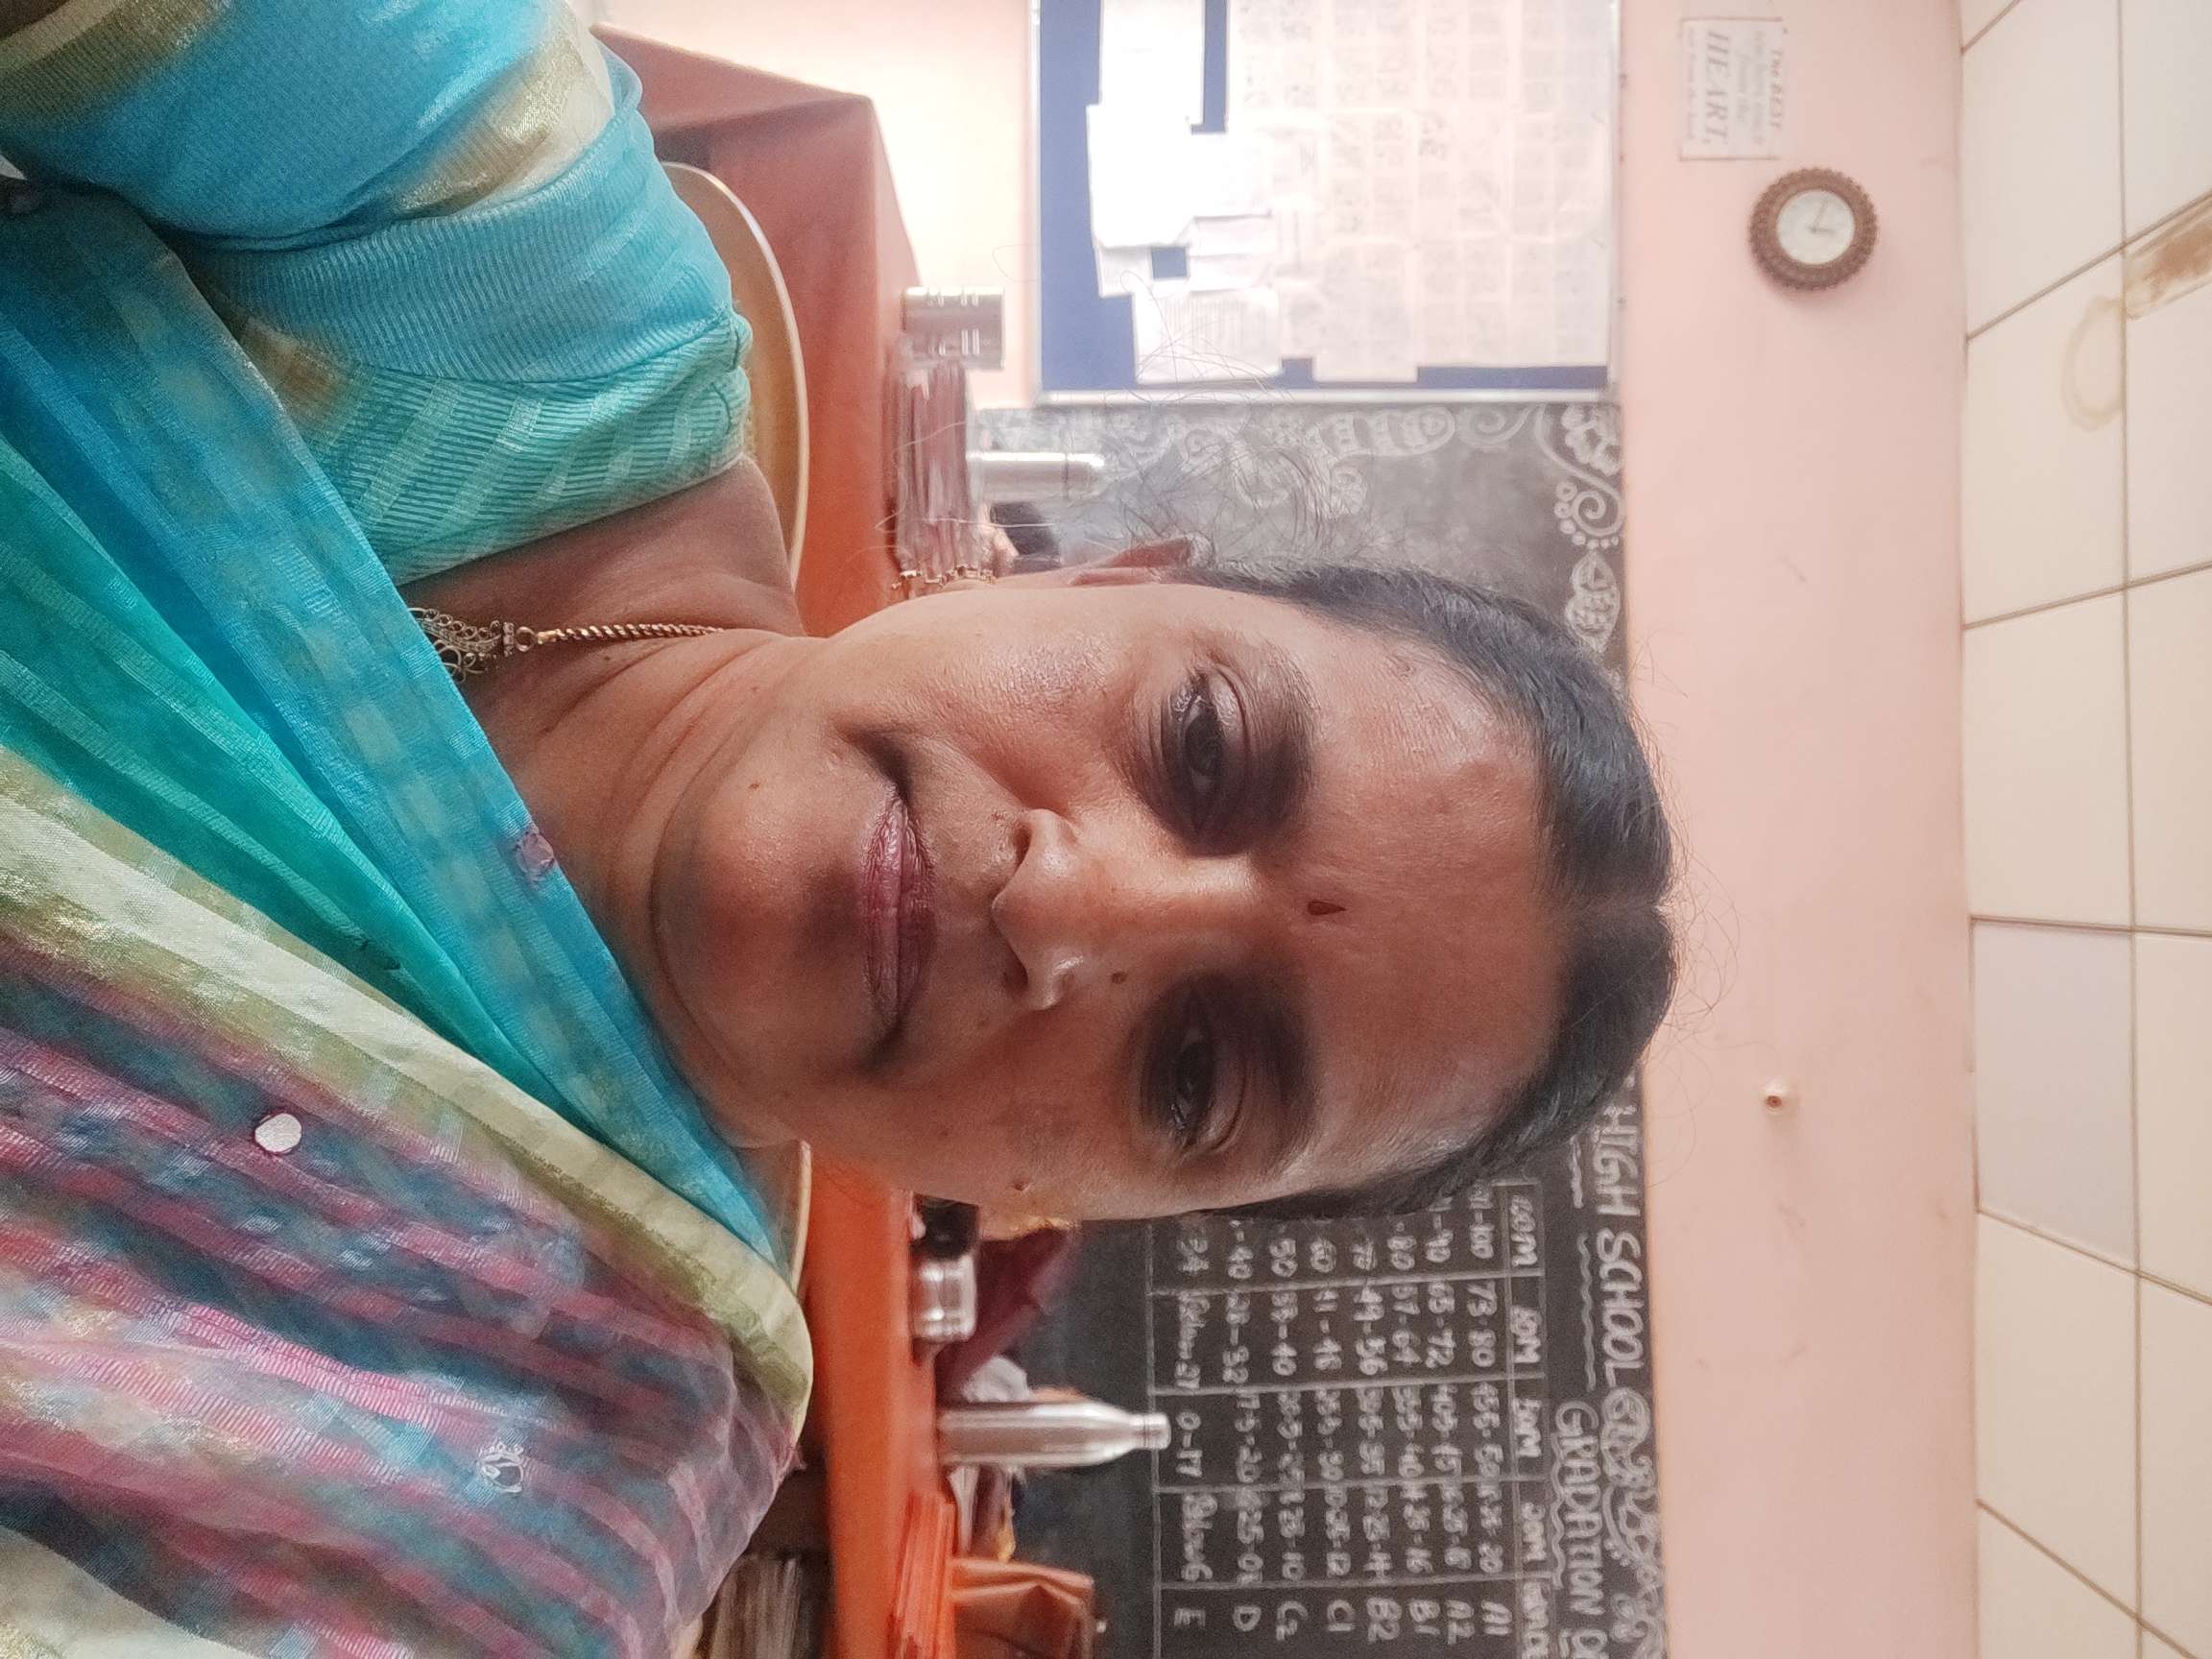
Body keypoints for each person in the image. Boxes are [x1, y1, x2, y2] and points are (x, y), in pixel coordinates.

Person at [0, 0, 1675, 1651]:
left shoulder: (541, 1494)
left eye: (1195, 1074)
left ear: (1056, 1202)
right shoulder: (510, 270)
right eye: (1200, 745)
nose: (1067, 911)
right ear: (1088, 582)